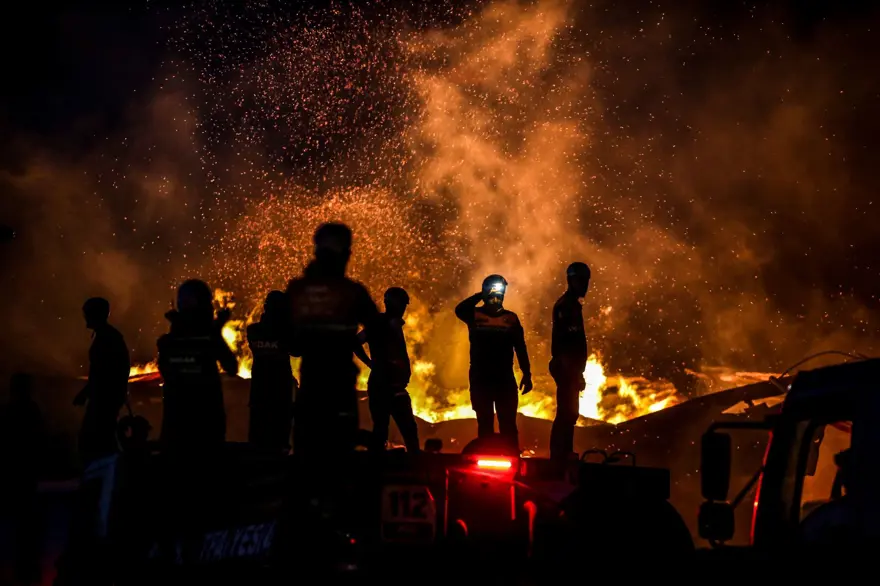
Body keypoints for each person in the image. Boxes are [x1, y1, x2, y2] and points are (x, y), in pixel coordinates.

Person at [285, 223, 380, 460]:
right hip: (340, 385)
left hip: (311, 385)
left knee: (307, 453)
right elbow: (377, 327)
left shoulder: (297, 289)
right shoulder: (352, 292)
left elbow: (291, 343)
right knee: (340, 454)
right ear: (346, 254)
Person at [157, 279, 238, 453]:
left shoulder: (167, 343)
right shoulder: (209, 339)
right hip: (206, 427)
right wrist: (216, 330)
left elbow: (167, 371)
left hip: (175, 428)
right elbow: (232, 367)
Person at [455, 274, 532, 449]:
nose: (496, 298)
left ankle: (511, 455)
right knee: (485, 423)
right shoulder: (475, 314)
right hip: (481, 378)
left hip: (504, 378)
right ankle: (485, 458)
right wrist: (479, 295)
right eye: (492, 293)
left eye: (499, 293)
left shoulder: (511, 319)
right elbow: (459, 309)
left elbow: (520, 347)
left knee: (508, 424)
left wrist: (527, 373)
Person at [354, 287, 420, 453]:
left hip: (394, 386)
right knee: (390, 429)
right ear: (392, 304)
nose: (403, 309)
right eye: (401, 304)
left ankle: (408, 460)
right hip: (382, 386)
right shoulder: (379, 323)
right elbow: (355, 342)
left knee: (401, 429)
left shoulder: (390, 324)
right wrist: (370, 363)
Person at [74, 297, 130, 463]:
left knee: (95, 440)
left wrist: (86, 392)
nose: (85, 317)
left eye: (87, 313)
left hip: (105, 399)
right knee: (102, 439)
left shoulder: (107, 338)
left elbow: (104, 372)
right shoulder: (108, 336)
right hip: (106, 398)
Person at [1, 373, 45, 584]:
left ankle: (22, 565)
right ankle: (27, 565)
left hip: (17, 472)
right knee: (25, 522)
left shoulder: (11, 410)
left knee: (20, 522)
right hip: (25, 472)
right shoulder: (30, 410)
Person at [549, 262, 591, 461]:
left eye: (585, 281)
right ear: (571, 280)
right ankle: (560, 455)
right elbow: (568, 344)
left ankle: (563, 452)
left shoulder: (571, 305)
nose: (584, 285)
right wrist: (574, 373)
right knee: (567, 412)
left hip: (569, 367)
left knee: (569, 413)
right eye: (580, 280)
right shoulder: (567, 306)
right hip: (566, 366)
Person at [247, 290, 296, 454]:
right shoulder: (285, 332)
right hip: (279, 395)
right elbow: (297, 350)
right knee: (279, 442)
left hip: (259, 393)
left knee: (258, 441)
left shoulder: (253, 331)